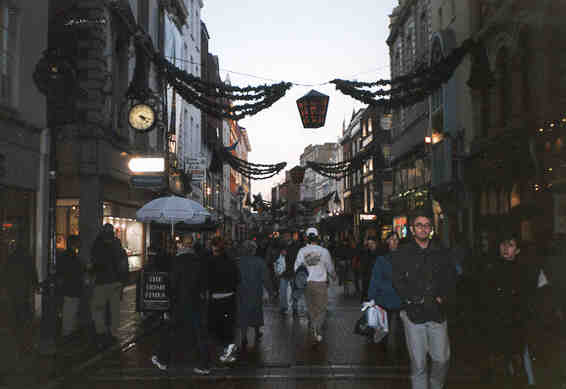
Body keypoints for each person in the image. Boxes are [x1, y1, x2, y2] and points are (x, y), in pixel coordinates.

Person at [391, 210, 457, 389]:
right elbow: (397, 280)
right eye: (419, 225)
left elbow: (451, 277)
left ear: (431, 229)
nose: (423, 229)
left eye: (426, 225)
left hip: (436, 312)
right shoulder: (403, 252)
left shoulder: (441, 252)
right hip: (414, 314)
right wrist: (410, 299)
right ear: (412, 229)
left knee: (441, 359)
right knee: (418, 363)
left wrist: (443, 297)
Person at [482, 233, 538, 385]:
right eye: (503, 244)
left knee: (517, 366)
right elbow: (484, 300)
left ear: (518, 250)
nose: (506, 248)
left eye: (511, 245)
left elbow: (528, 301)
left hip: (516, 325)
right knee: (497, 368)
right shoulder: (490, 269)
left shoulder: (525, 271)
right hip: (495, 324)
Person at [151, 235, 210, 375]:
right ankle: (204, 364)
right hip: (195, 302)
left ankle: (163, 360)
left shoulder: (177, 261)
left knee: (170, 331)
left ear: (182, 245)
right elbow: (203, 283)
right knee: (199, 333)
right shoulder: (199, 261)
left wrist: (168, 302)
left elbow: (172, 284)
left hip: (179, 303)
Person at [294, 227, 337, 345]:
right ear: (318, 237)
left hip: (307, 284)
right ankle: (316, 328)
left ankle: (314, 327)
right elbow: (330, 267)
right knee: (321, 308)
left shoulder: (302, 251)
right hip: (320, 283)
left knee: (311, 308)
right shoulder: (324, 251)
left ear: (307, 238)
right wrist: (333, 276)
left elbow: (296, 268)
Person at [89, 223, 129, 349]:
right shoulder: (117, 244)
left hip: (101, 282)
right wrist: (123, 280)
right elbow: (123, 263)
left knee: (97, 308)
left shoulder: (97, 244)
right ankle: (113, 332)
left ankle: (101, 331)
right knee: (115, 308)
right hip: (116, 282)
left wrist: (92, 275)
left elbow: (94, 262)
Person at [367, 232, 403, 360]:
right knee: (384, 325)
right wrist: (371, 297)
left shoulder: (404, 258)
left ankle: (399, 349)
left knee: (400, 326)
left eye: (396, 239)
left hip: (400, 297)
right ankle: (384, 349)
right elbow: (375, 279)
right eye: (391, 239)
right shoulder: (381, 260)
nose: (394, 242)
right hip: (385, 298)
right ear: (387, 242)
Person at [207, 236, 240, 363]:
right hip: (229, 298)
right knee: (227, 326)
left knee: (215, 328)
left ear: (214, 247)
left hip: (215, 298)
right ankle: (227, 350)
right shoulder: (231, 262)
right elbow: (237, 279)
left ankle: (220, 352)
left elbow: (206, 280)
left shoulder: (210, 262)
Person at [1, 241, 38, 356]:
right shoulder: (27, 258)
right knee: (23, 313)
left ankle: (18, 332)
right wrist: (35, 285)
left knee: (16, 311)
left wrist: (5, 287)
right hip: (23, 290)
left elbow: (5, 273)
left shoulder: (11, 258)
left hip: (13, 290)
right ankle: (24, 339)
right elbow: (33, 273)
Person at [237, 240, 273, 348]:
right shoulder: (259, 262)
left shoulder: (238, 262)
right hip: (255, 291)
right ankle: (257, 332)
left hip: (241, 291)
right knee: (256, 311)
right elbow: (265, 278)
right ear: (254, 250)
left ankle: (244, 337)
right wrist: (271, 291)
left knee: (243, 313)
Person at [56, 235, 85, 340]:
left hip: (69, 287)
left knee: (70, 310)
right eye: (77, 243)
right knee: (70, 310)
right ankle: (67, 332)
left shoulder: (66, 256)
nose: (79, 245)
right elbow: (76, 271)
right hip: (72, 287)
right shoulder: (72, 257)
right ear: (73, 244)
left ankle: (68, 331)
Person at [359, 236, 381, 303]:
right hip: (368, 282)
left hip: (378, 283)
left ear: (376, 243)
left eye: (372, 243)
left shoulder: (380, 254)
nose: (371, 245)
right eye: (369, 244)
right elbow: (363, 270)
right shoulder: (365, 254)